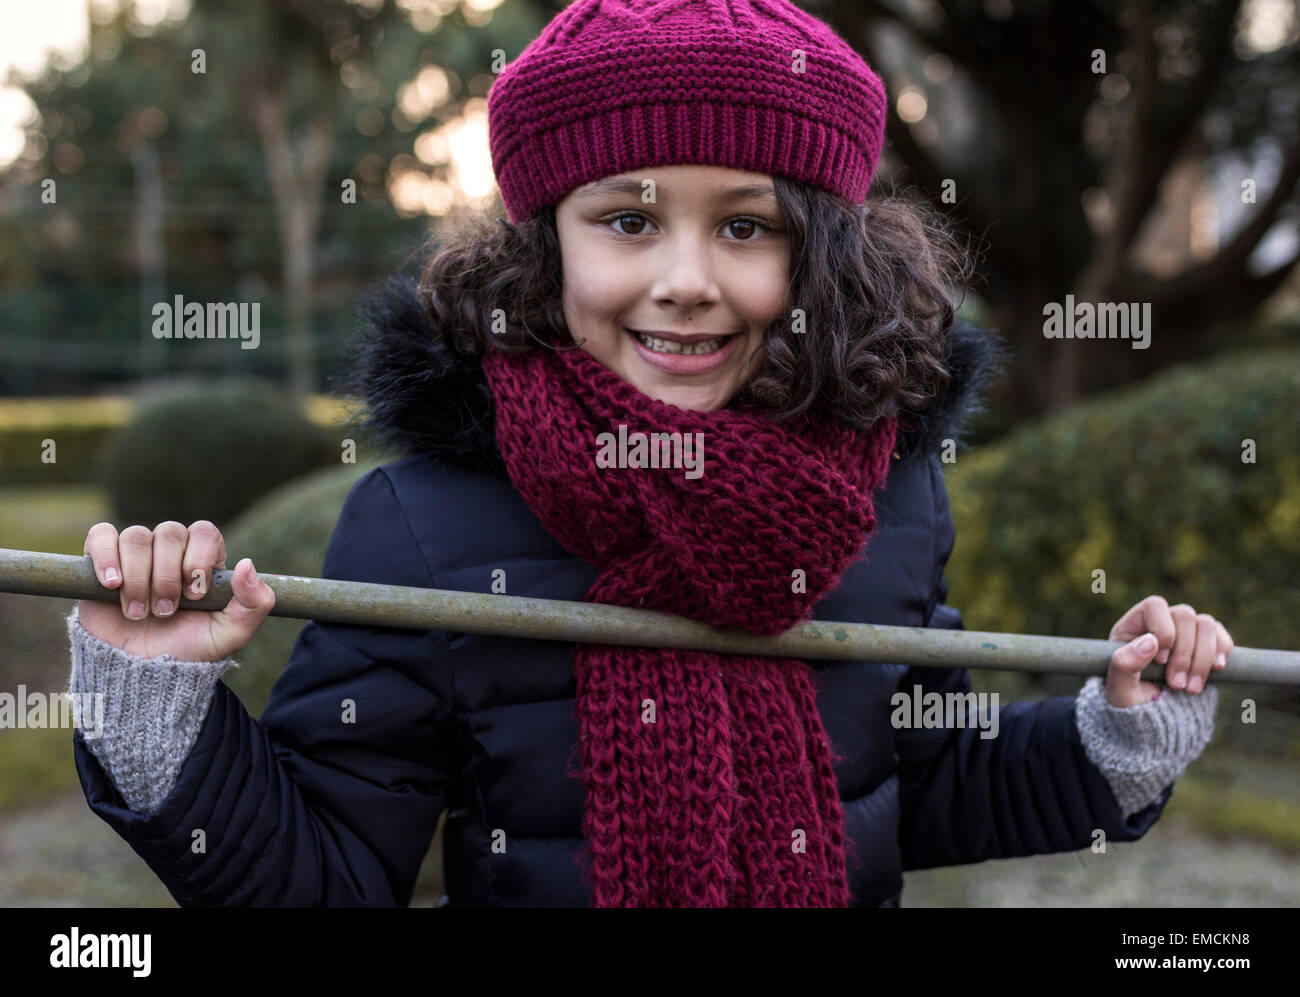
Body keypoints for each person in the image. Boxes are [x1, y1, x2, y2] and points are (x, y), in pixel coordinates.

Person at [66, 0, 1229, 907]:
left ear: (817, 257)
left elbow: (906, 784)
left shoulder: (886, 497)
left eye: (744, 224)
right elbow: (323, 879)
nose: (685, 279)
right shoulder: (427, 526)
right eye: (627, 220)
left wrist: (1111, 735)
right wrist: (157, 706)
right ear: (546, 246)